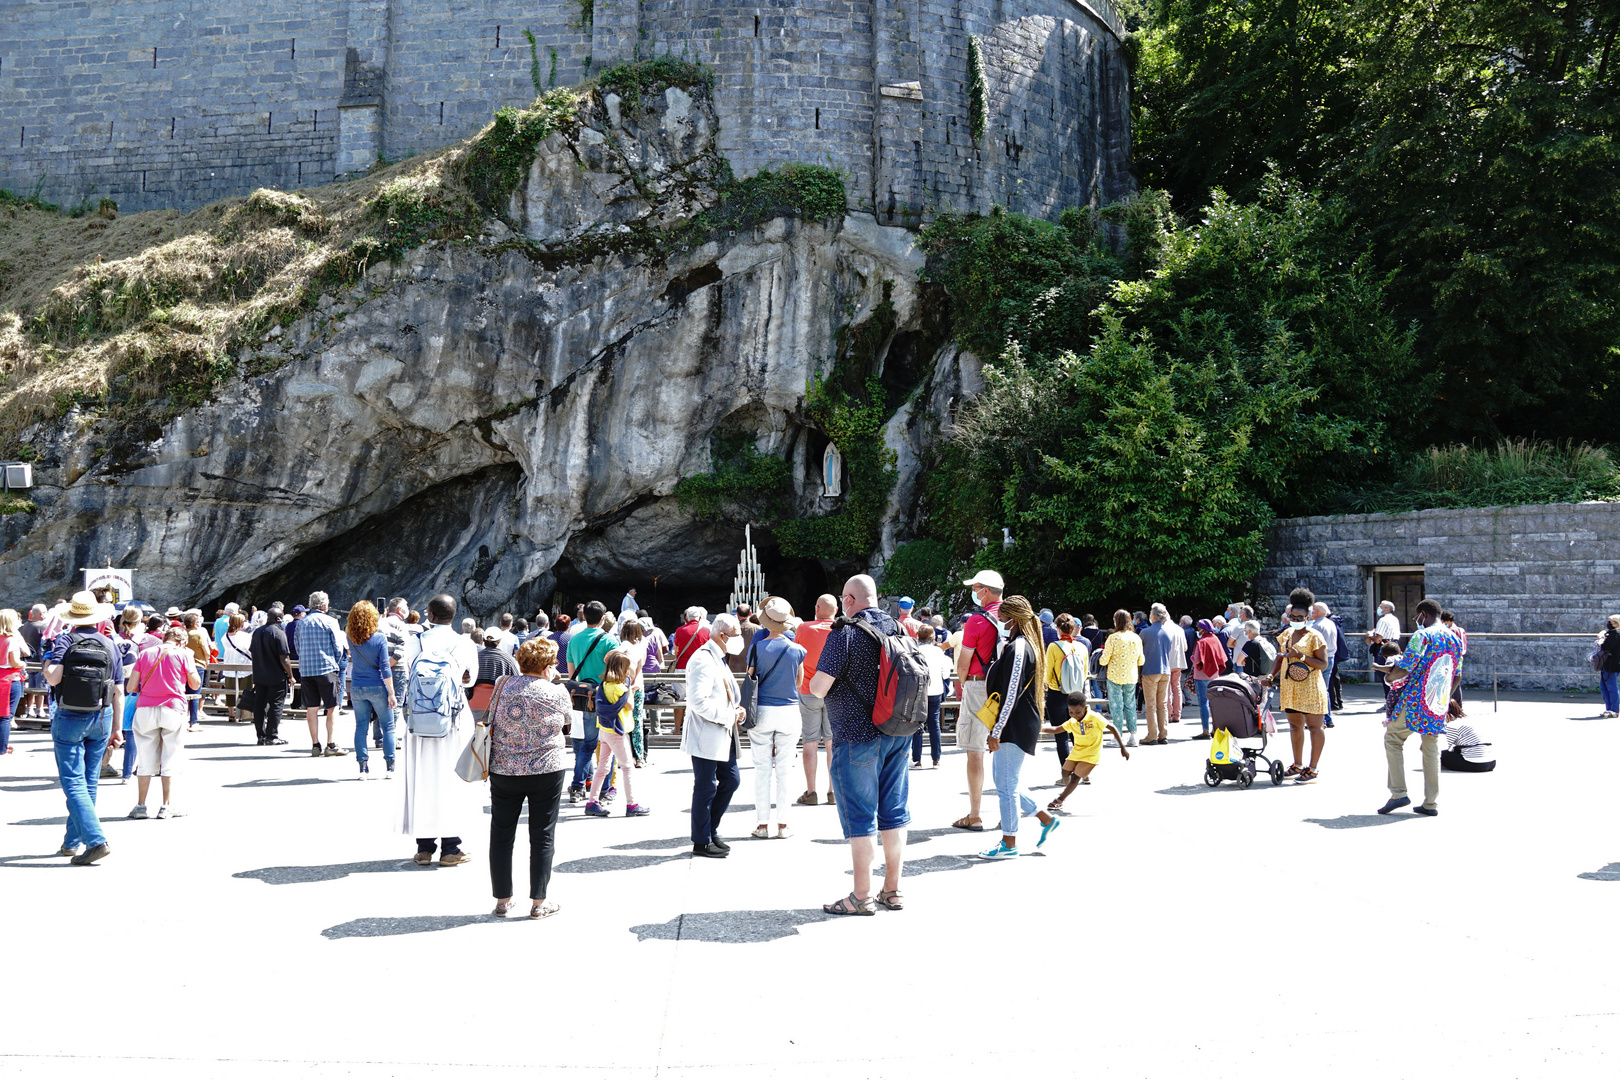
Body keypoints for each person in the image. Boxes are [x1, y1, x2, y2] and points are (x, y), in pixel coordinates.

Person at [807, 575, 911, 913]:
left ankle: (860, 896)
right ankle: (892, 891)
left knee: (861, 817)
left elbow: (820, 687)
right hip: (898, 732)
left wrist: (811, 686)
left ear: (848, 599)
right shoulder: (899, 628)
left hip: (857, 736)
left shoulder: (845, 633)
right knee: (893, 815)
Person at [486, 636, 570, 920]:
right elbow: (567, 722)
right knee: (543, 835)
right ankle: (538, 902)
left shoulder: (502, 685)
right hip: (547, 768)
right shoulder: (557, 692)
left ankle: (502, 900)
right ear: (547, 665)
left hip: (505, 767)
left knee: (501, 833)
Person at [973, 595, 1061, 857]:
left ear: (1013, 619)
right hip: (1017, 721)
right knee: (1006, 781)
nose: (999, 621)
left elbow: (1011, 692)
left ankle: (1009, 844)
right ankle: (1045, 818)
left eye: (1001, 617)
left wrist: (996, 731)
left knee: (1006, 786)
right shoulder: (1020, 644)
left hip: (1015, 723)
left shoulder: (1019, 647)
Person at [43, 592, 126, 863]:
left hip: (70, 715)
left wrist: (47, 666)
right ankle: (71, 842)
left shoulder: (65, 640)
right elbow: (119, 690)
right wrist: (117, 728)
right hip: (102, 716)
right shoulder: (110, 643)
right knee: (89, 782)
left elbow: (54, 679)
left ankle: (95, 840)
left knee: (73, 781)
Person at [398, 594, 480, 865]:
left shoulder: (415, 641)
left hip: (420, 720)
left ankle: (424, 848)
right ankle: (450, 848)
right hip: (453, 720)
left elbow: (410, 672)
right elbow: (470, 680)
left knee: (423, 778)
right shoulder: (464, 643)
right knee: (451, 780)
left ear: (430, 616)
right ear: (452, 616)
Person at [1376, 598, 1462, 817]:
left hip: (1414, 700)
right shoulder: (1454, 638)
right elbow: (1457, 675)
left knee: (1393, 739)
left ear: (1423, 614)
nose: (1417, 621)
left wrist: (1389, 678)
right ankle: (1431, 803)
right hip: (1436, 704)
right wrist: (1444, 698)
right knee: (1431, 748)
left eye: (1417, 617)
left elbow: (1405, 666)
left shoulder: (1421, 636)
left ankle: (1398, 793)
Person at [683, 612, 744, 858]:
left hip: (721, 732)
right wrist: (729, 715)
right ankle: (702, 840)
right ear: (722, 636)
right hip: (707, 732)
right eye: (737, 635)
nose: (740, 640)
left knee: (730, 780)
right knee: (706, 787)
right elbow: (698, 701)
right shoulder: (704, 659)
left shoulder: (717, 656)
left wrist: (734, 710)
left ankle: (710, 830)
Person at [126, 624, 200, 820]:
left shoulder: (145, 654)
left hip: (145, 708)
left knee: (145, 757)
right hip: (173, 707)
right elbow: (195, 684)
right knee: (171, 756)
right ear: (182, 641)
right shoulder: (184, 654)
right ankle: (166, 806)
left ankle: (141, 806)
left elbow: (132, 686)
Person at [746, 597, 805, 838]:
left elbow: (750, 678)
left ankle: (762, 824)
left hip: (762, 710)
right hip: (789, 710)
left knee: (761, 769)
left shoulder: (757, 648)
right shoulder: (798, 650)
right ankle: (783, 825)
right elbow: (799, 682)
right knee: (784, 770)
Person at [952, 569, 1005, 831]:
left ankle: (975, 814)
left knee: (976, 751)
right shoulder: (1015, 617)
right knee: (1006, 750)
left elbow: (963, 663)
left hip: (979, 687)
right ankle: (1008, 813)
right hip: (1008, 689)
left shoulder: (976, 620)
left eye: (975, 588)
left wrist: (964, 683)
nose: (974, 593)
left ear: (985, 590)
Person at [1261, 588, 1330, 781]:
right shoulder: (1286, 634)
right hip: (1290, 686)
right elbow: (1280, 658)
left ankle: (1313, 768)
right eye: (1293, 616)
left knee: (1315, 727)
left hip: (1311, 688)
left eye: (1300, 617)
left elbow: (1322, 664)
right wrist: (1271, 674)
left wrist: (1300, 656)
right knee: (1294, 726)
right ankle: (1298, 764)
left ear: (1308, 617)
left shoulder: (1315, 636)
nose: (1296, 620)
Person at [584, 651, 650, 818]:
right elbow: (630, 706)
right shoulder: (621, 688)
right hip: (617, 732)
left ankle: (592, 802)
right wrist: (632, 691)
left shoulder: (603, 685)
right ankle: (631, 804)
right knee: (627, 767)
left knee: (602, 767)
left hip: (604, 730)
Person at [564, 602, 616, 802]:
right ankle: (604, 789)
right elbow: (616, 673)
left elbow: (571, 675)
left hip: (585, 698)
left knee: (587, 745)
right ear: (603, 618)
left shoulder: (573, 640)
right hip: (605, 696)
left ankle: (577, 787)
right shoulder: (610, 640)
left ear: (583, 617)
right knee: (607, 745)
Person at [1044, 692, 1129, 810]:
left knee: (1075, 778)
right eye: (1071, 712)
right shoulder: (1072, 721)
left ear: (1085, 708)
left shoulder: (1095, 717)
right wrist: (1039, 728)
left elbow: (1112, 727)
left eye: (1078, 712)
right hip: (1077, 752)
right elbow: (1057, 729)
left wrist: (1122, 747)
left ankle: (1059, 800)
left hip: (1091, 754)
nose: (1074, 715)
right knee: (1065, 772)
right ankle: (1075, 782)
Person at [794, 595, 839, 805]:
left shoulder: (804, 628)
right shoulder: (841, 629)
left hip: (808, 689)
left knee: (810, 743)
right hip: (834, 691)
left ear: (817, 608)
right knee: (832, 744)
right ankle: (833, 791)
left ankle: (811, 792)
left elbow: (797, 657)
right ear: (836, 610)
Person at [294, 591, 349, 758]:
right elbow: (338, 647)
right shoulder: (330, 621)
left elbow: (297, 646)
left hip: (306, 670)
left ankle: (315, 744)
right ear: (324, 605)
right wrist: (335, 661)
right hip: (326, 669)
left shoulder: (301, 623)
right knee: (332, 706)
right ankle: (331, 744)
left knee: (312, 708)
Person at [345, 600, 396, 778]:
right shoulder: (380, 637)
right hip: (377, 685)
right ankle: (389, 767)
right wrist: (391, 692)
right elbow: (385, 667)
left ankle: (363, 768)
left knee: (361, 727)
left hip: (357, 686)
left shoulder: (350, 637)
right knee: (388, 726)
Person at [1043, 614, 1089, 779]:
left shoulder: (1054, 647)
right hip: (1077, 695)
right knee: (1077, 734)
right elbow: (1084, 673)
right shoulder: (1082, 647)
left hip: (1057, 693)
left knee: (1061, 735)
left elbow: (1048, 674)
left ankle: (1067, 775)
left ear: (1058, 628)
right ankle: (1084, 772)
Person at [1098, 609, 1144, 747]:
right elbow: (1141, 660)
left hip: (1114, 676)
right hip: (1131, 676)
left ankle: (1118, 737)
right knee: (1130, 705)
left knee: (1116, 706)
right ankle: (1133, 735)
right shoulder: (1136, 638)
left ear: (1117, 621)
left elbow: (1103, 660)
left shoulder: (1113, 638)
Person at [249, 602, 293, 746]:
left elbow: (252, 651)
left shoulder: (256, 632)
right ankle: (272, 736)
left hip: (259, 675)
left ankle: (260, 736)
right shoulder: (279, 633)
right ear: (279, 619)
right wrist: (291, 675)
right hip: (276, 676)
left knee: (259, 705)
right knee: (276, 705)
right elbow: (284, 658)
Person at [614, 618, 652, 766]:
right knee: (637, 721)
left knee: (622, 720)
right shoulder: (642, 645)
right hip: (639, 686)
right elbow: (641, 665)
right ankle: (640, 757)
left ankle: (622, 756)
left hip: (625, 686)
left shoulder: (624, 644)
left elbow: (615, 654)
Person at [1139, 603, 1177, 746]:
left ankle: (1152, 735)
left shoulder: (1144, 633)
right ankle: (1163, 734)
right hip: (1165, 671)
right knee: (1162, 704)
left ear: (1153, 616)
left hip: (1150, 670)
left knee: (1150, 705)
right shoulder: (1168, 633)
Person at [913, 626, 951, 768]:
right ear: (932, 637)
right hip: (935, 690)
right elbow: (945, 674)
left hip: (919, 691)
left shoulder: (915, 651)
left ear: (918, 636)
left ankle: (917, 759)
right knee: (934, 724)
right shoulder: (938, 652)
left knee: (917, 724)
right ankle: (936, 759)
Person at [670, 607, 710, 740]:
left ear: (686, 618)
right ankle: (698, 729)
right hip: (700, 668)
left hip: (682, 667)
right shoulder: (706, 631)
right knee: (699, 698)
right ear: (699, 617)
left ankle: (677, 729)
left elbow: (676, 650)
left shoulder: (679, 630)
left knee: (679, 699)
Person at [1309, 602, 1340, 729]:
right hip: (1330, 657)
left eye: (1314, 611)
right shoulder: (1330, 623)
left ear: (1319, 612)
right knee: (1324, 689)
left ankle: (1320, 720)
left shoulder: (1317, 626)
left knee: (1316, 690)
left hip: (1318, 659)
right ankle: (1327, 718)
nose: (1312, 613)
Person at [219, 612, 253, 723]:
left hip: (229, 666)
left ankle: (231, 714)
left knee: (230, 690)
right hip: (244, 665)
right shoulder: (245, 636)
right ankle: (242, 714)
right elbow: (250, 650)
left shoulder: (226, 636)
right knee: (245, 690)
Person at [0, 608, 25, 757]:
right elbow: (15, 662)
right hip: (9, 679)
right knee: (5, 716)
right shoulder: (11, 640)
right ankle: (2, 747)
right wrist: (23, 664)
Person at [182, 611, 210, 732]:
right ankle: (193, 721)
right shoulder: (198, 635)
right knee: (194, 693)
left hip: (182, 665)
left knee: (183, 692)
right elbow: (207, 652)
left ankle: (183, 718)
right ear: (194, 624)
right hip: (197, 665)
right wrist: (207, 660)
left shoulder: (182, 634)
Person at [1166, 610, 1188, 726]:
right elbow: (1185, 647)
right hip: (1179, 663)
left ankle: (1169, 714)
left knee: (1167, 689)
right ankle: (1177, 714)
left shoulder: (1164, 629)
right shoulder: (1180, 629)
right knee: (1177, 688)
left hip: (1167, 662)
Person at [1598, 615, 1620, 718]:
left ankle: (1614, 710)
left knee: (1611, 687)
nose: (1609, 624)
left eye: (1611, 622)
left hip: (1612, 665)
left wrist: (1600, 642)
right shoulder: (1614, 633)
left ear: (1616, 623)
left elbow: (1607, 646)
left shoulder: (1615, 633)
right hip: (1611, 664)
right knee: (1604, 687)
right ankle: (1609, 709)